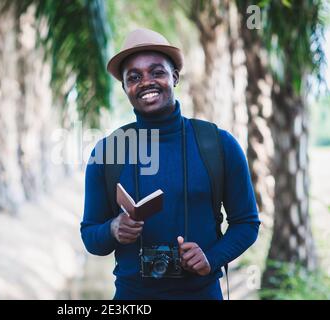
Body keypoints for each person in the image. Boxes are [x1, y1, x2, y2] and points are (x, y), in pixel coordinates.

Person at [80, 28, 260, 300]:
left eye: (157, 72)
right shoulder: (107, 152)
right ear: (125, 87)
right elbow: (90, 236)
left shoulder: (218, 145)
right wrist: (113, 229)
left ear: (174, 77)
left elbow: (247, 223)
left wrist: (210, 258)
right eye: (134, 76)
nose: (146, 82)